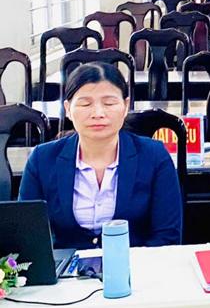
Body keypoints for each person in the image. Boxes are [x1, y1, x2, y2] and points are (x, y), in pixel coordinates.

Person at [18, 63, 182, 249]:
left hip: (137, 268)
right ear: (68, 109)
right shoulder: (42, 159)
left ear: (125, 106)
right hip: (65, 274)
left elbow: (167, 236)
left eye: (109, 103)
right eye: (85, 104)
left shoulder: (154, 156)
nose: (98, 113)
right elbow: (29, 238)